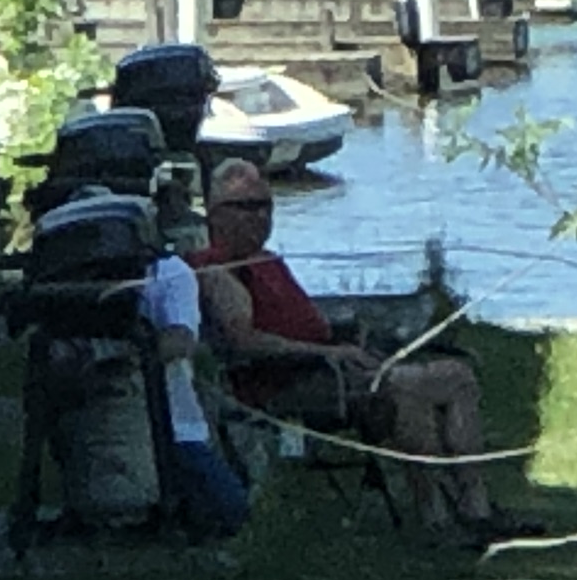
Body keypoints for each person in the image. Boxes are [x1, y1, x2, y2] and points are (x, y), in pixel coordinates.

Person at [197, 158, 501, 537]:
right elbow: (244, 342)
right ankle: (452, 511)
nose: (259, 216)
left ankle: (459, 510)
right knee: (426, 384)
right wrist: (327, 353)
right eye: (245, 207)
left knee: (435, 383)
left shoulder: (267, 261)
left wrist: (348, 339)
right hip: (290, 383)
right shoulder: (217, 270)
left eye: (265, 205)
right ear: (214, 212)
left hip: (331, 368)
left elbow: (309, 324)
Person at [141, 189, 250, 538]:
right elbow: (181, 342)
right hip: (164, 431)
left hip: (170, 426)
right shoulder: (171, 273)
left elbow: (181, 342)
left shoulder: (168, 272)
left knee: (230, 510)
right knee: (233, 512)